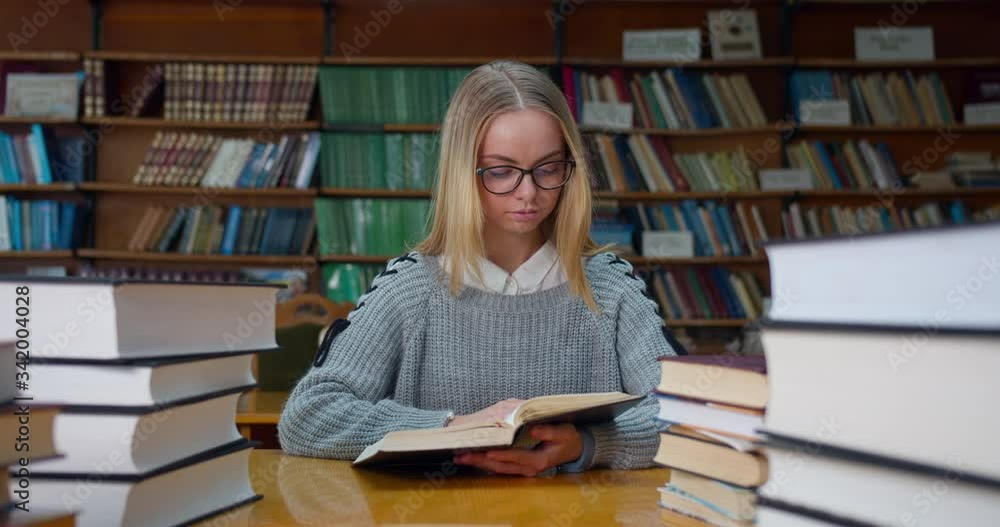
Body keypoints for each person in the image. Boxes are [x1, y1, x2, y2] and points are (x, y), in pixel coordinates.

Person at [278, 60, 678, 476]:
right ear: (462, 173)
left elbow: (689, 419)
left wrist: (589, 444)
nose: (529, 193)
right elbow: (308, 416)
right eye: (502, 171)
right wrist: (449, 428)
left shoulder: (612, 288)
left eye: (549, 168)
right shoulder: (411, 288)